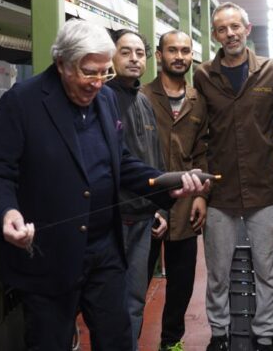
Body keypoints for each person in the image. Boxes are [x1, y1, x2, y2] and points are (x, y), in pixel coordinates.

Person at [0, 19, 210, 351]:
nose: (98, 83)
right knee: (50, 342)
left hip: (104, 251)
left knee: (117, 339)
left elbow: (121, 162)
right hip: (50, 255)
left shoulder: (105, 99)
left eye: (105, 73)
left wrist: (162, 185)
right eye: (89, 73)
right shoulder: (23, 102)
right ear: (62, 63)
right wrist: (7, 212)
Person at [193, 2, 273, 351]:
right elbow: (198, 132)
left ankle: (265, 334)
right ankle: (219, 333)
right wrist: (200, 189)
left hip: (264, 188)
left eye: (236, 27)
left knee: (267, 270)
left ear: (247, 29)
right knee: (218, 272)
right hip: (220, 190)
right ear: (215, 35)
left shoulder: (270, 71)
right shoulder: (203, 75)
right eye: (222, 29)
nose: (230, 34)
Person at [143, 30, 209, 351]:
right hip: (146, 204)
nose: (179, 56)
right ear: (159, 55)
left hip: (185, 204)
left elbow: (202, 151)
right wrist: (147, 204)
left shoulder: (198, 101)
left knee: (181, 282)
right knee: (136, 281)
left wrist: (201, 196)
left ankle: (171, 343)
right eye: (173, 50)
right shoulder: (141, 97)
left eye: (185, 50)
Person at [107, 28, 166, 350]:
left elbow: (154, 157)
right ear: (112, 56)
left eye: (140, 53)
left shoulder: (143, 101)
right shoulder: (103, 99)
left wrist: (160, 207)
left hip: (143, 218)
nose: (134, 59)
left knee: (134, 298)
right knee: (109, 299)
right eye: (125, 52)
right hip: (113, 218)